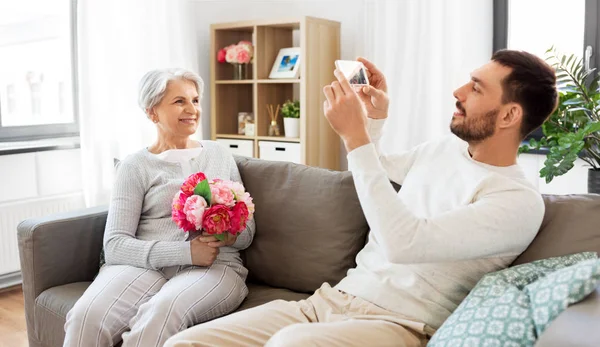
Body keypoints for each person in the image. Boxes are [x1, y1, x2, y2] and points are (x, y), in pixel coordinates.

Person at [165, 50, 558, 347]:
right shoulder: (443, 151)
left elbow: (405, 243)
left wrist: (354, 137)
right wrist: (373, 121)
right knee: (184, 343)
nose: (458, 92)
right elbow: (379, 167)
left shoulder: (516, 201)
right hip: (328, 302)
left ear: (508, 116)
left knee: (290, 344)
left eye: (476, 88)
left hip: (401, 326)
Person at [63, 68, 255, 347]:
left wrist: (228, 234)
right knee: (85, 317)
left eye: (196, 100)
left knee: (161, 313)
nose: (192, 109)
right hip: (145, 266)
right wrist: (186, 252)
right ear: (152, 112)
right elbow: (115, 245)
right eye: (180, 101)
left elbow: (248, 231)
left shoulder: (219, 155)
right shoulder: (134, 166)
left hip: (216, 267)